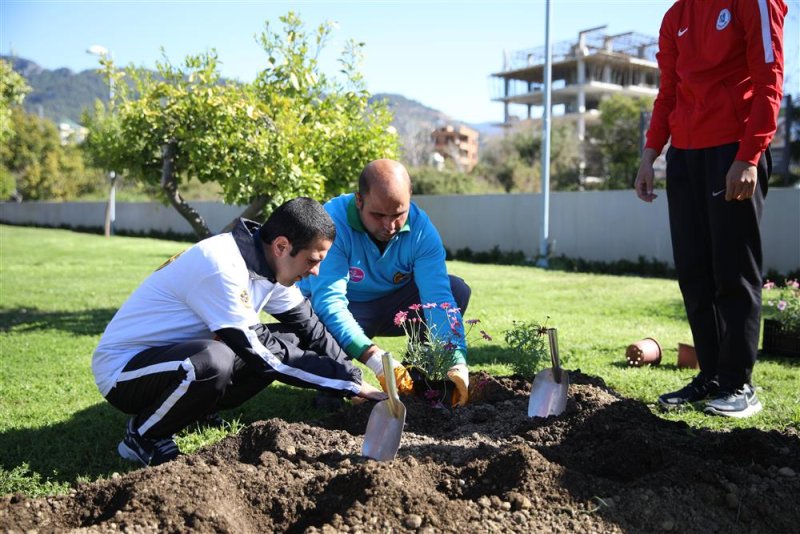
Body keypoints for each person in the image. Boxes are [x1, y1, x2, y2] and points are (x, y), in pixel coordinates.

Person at [92, 197, 386, 467]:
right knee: (215, 361)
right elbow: (264, 354)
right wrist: (348, 385)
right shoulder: (222, 266)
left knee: (291, 337)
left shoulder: (267, 262)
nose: (315, 271)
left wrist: (351, 374)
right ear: (282, 246)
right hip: (124, 371)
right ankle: (142, 436)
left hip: (177, 359)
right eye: (312, 260)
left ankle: (195, 408)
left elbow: (310, 327)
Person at [635, 0, 787, 417]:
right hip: (684, 156)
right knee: (694, 272)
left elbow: (769, 78)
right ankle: (712, 377)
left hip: (732, 152)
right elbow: (668, 92)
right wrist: (651, 154)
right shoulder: (675, 16)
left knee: (733, 271)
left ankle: (739, 384)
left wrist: (749, 155)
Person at [299, 159, 473, 407]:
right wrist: (372, 356)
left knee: (457, 289)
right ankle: (334, 381)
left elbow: (439, 300)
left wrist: (456, 359)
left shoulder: (422, 231)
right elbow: (329, 302)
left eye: (398, 214)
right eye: (378, 215)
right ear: (359, 200)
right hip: (340, 309)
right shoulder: (332, 223)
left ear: (410, 197)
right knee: (323, 329)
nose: (389, 226)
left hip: (392, 306)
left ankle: (421, 373)